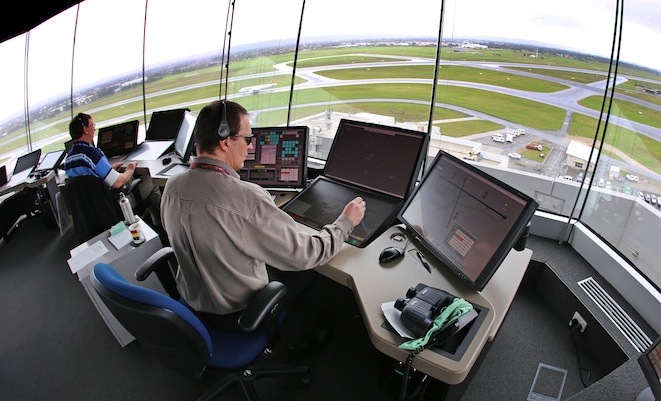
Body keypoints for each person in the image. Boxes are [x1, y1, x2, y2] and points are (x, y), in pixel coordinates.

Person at [160, 100, 366, 354]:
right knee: (310, 274)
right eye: (247, 140)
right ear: (225, 142)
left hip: (194, 302)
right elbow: (308, 254)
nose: (250, 147)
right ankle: (297, 343)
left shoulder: (171, 187)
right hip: (236, 312)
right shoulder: (246, 198)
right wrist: (346, 221)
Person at [64, 112, 161, 224]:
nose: (94, 129)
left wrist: (110, 170)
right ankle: (159, 225)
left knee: (128, 179)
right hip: (114, 206)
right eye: (92, 126)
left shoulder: (68, 160)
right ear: (85, 129)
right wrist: (130, 168)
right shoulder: (92, 153)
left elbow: (88, 183)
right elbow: (117, 183)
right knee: (151, 181)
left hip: (94, 212)